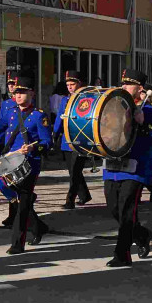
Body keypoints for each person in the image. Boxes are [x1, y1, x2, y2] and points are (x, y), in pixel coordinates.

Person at [102, 69, 152, 267]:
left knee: (127, 212)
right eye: (122, 83)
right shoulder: (114, 106)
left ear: (140, 89)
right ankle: (142, 235)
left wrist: (143, 123)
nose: (123, 87)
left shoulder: (149, 111)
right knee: (114, 209)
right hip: (113, 167)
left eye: (128, 84)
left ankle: (122, 255)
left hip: (135, 169)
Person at [0, 75, 51, 254]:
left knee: (23, 203)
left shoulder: (39, 116)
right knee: (15, 196)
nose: (18, 95)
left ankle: (17, 243)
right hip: (9, 161)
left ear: (32, 93)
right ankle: (39, 227)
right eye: (16, 92)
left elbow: (47, 142)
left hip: (29, 164)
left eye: (22, 92)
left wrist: (33, 148)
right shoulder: (11, 113)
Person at [52, 70, 93, 209]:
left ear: (79, 84)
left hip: (81, 139)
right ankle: (84, 195)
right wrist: (55, 134)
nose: (69, 87)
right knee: (73, 171)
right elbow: (59, 118)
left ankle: (70, 200)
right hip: (66, 140)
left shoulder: (87, 99)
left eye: (72, 84)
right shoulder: (65, 100)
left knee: (75, 171)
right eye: (68, 85)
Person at [0, 74, 22, 227]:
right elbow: (2, 125)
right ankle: (14, 214)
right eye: (10, 85)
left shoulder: (31, 110)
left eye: (15, 86)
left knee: (17, 185)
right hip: (7, 146)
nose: (12, 87)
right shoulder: (6, 105)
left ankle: (19, 218)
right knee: (4, 181)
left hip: (21, 152)